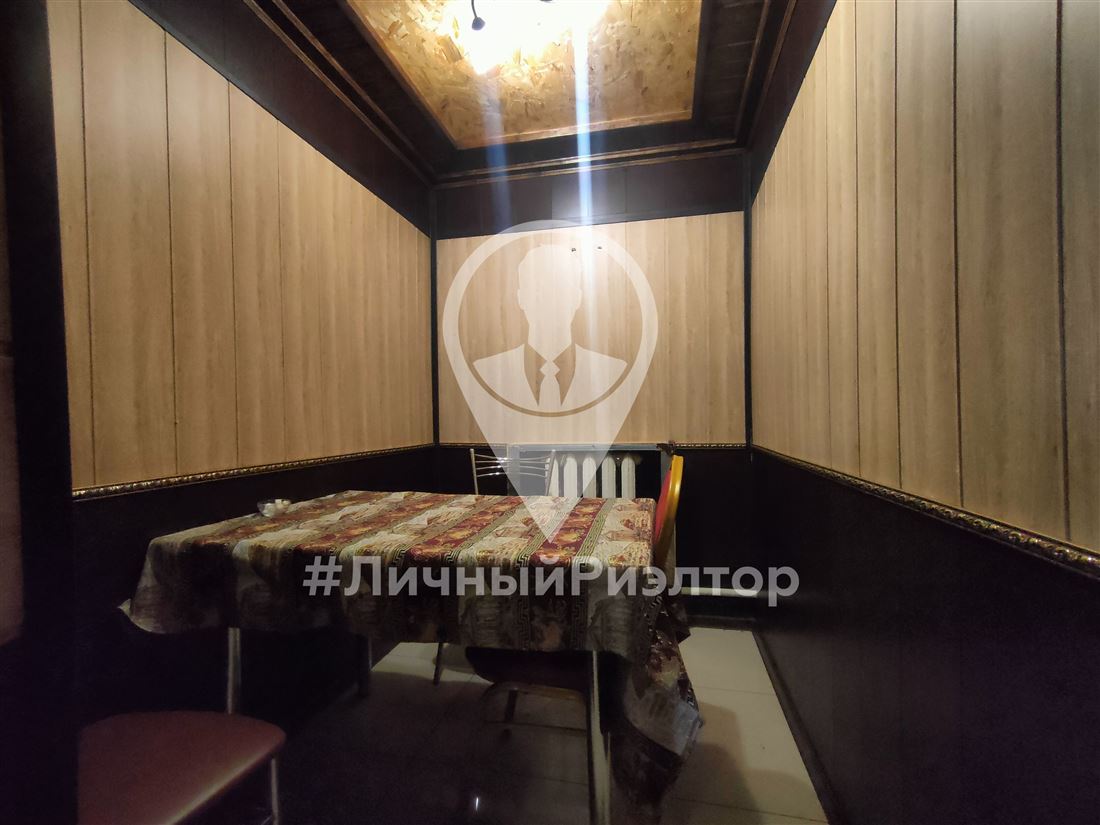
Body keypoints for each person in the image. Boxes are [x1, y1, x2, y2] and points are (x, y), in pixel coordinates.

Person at [474, 244, 626, 413]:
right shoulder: (488, 372)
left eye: (560, 288)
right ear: (521, 298)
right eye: (538, 289)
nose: (549, 300)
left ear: (577, 298)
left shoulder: (613, 371)